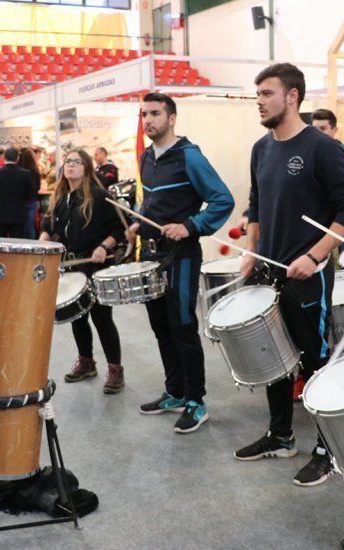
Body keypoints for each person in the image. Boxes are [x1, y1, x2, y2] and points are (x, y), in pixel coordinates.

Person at [233, 63, 344, 487]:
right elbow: (255, 203)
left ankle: (329, 448)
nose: (259, 100)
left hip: (307, 275)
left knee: (314, 362)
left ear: (292, 96)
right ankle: (280, 434)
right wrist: (252, 251)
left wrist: (315, 255)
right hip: (267, 272)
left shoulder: (322, 148)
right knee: (273, 359)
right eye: (258, 93)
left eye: (267, 93)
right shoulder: (259, 148)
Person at [127, 92, 234, 434]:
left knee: (183, 326)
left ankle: (196, 401)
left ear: (172, 118)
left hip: (182, 256)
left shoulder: (189, 156)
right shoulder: (146, 157)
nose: (149, 120)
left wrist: (189, 226)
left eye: (155, 114)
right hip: (151, 255)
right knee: (160, 326)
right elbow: (151, 202)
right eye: (144, 114)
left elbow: (222, 201)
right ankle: (174, 392)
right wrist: (137, 223)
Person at [40, 149, 126, 393]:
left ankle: (115, 369)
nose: (71, 166)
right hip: (72, 267)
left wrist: (103, 246)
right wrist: (41, 242)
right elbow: (50, 226)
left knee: (102, 319)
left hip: (96, 266)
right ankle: (86, 362)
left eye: (77, 162)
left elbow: (119, 229)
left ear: (87, 168)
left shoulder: (99, 196)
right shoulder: (61, 196)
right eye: (68, 162)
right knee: (77, 317)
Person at [0, 147, 35, 238]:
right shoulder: (25, 174)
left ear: (4, 157)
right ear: (17, 158)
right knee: (16, 246)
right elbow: (30, 195)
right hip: (18, 215)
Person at [310, 108, 344, 178]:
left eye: (323, 128)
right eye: (314, 129)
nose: (317, 133)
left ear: (334, 130)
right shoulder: (308, 155)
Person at [18, 147, 42, 239]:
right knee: (30, 226)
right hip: (32, 200)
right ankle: (31, 246)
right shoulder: (35, 171)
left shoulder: (18, 171)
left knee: (20, 227)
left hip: (19, 201)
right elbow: (38, 187)